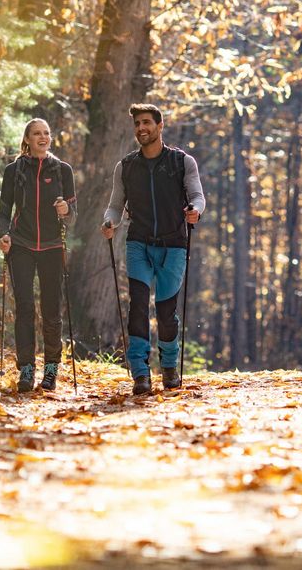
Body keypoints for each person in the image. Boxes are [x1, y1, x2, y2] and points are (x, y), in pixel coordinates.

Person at [101, 104, 205, 395]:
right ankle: (140, 373)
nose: (141, 128)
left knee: (166, 309)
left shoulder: (182, 162)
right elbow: (115, 204)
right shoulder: (126, 166)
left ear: (160, 126)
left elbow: (197, 195)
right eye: (137, 124)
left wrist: (195, 210)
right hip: (139, 243)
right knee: (137, 305)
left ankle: (169, 367)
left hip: (173, 244)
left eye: (147, 122)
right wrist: (110, 221)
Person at [0, 118, 77, 393]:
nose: (43, 137)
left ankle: (52, 369)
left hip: (53, 246)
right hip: (20, 244)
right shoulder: (14, 170)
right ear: (27, 139)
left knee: (51, 310)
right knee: (25, 307)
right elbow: (4, 210)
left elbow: (73, 216)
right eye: (36, 134)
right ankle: (27, 369)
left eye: (46, 133)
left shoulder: (63, 170)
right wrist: (4, 235)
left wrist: (65, 211)